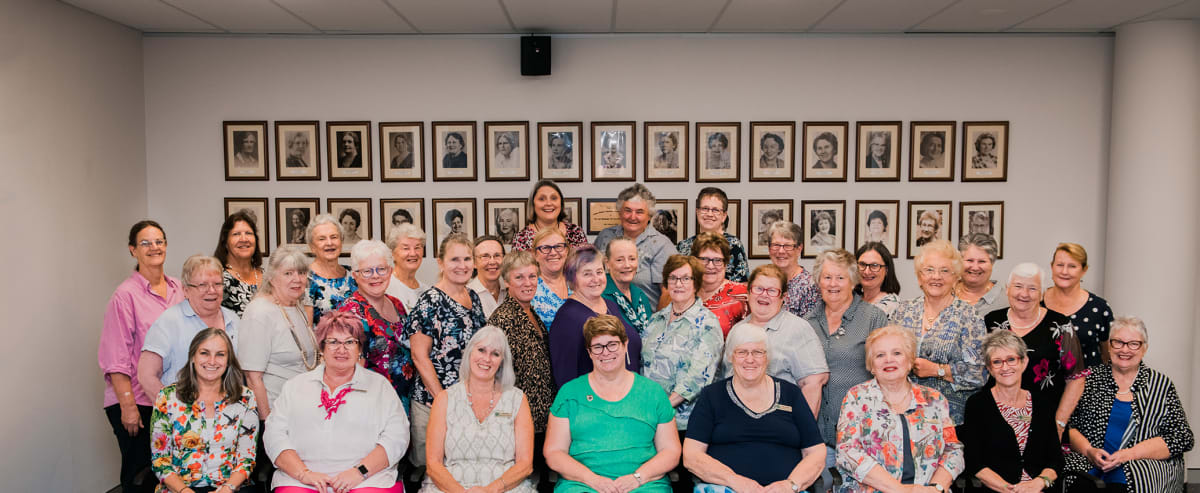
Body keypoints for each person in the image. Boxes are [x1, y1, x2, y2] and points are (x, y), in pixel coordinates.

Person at [264, 311, 410, 493]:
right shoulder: (295, 386)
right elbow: (274, 436)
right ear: (322, 348)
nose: (341, 349)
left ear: (359, 349)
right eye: (333, 342)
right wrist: (304, 474)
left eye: (350, 342)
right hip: (302, 480)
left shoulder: (380, 387)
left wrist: (359, 472)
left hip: (368, 479)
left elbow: (397, 438)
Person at [544, 315, 681, 493]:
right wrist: (592, 480)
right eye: (598, 347)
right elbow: (554, 452)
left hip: (644, 484)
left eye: (612, 344)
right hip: (583, 484)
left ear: (625, 345)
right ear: (589, 352)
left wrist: (637, 478)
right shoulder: (569, 393)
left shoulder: (653, 393)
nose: (606, 352)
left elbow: (670, 451)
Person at [683, 325, 825, 492]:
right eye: (742, 352)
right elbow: (691, 455)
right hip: (726, 488)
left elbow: (816, 453)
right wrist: (734, 480)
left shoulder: (791, 394)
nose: (750, 359)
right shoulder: (711, 396)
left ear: (767, 357)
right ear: (730, 356)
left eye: (758, 352)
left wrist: (791, 484)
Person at [99, 220, 184, 493]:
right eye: (145, 243)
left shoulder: (179, 289)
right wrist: (128, 406)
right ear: (132, 250)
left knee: (172, 475)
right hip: (137, 401)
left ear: (166, 246)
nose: (154, 247)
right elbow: (116, 357)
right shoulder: (125, 296)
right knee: (141, 476)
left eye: (159, 241)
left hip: (172, 399)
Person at [1064, 317, 1194, 493]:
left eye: (1133, 344)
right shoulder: (1089, 379)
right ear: (1109, 346)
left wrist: (1128, 455)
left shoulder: (1160, 385)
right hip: (1088, 462)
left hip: (1141, 467)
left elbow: (1182, 437)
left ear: (1144, 348)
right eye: (1118, 342)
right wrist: (1089, 451)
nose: (1124, 349)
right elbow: (1067, 426)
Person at [836, 326, 964, 492]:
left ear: (910, 361)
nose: (889, 360)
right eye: (880, 355)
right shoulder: (857, 397)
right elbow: (847, 453)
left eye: (897, 353)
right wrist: (902, 490)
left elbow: (953, 450)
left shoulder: (935, 399)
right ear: (871, 365)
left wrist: (936, 488)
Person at [405, 234, 489, 469]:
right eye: (454, 259)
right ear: (440, 263)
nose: (462, 266)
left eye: (467, 259)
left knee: (462, 469)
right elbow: (419, 357)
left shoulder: (472, 296)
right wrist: (443, 399)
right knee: (431, 472)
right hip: (434, 403)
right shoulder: (429, 301)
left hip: (467, 400)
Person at [804, 249, 888, 473]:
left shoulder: (873, 318)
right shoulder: (807, 322)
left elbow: (888, 374)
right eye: (827, 277)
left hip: (863, 432)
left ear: (852, 281)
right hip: (817, 436)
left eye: (840, 277)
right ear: (818, 281)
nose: (833, 284)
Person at [423, 327, 536, 493]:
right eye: (481, 350)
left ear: (502, 361)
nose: (487, 359)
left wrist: (490, 490)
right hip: (450, 489)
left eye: (495, 354)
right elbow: (433, 464)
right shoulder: (445, 399)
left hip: (504, 488)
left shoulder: (517, 400)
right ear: (469, 353)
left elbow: (525, 464)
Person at [888, 240, 987, 424]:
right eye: (929, 270)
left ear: (956, 277)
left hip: (950, 420)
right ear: (919, 277)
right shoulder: (902, 311)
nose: (936, 277)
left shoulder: (969, 317)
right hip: (902, 416)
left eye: (944, 271)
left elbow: (979, 374)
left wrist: (937, 370)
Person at [149, 329, 258, 493]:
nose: (212, 361)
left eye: (220, 354)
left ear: (229, 361)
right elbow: (160, 460)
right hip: (179, 489)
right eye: (205, 353)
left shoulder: (246, 398)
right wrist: (184, 491)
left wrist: (227, 489)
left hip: (229, 488)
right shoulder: (167, 397)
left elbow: (246, 458)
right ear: (193, 357)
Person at [961, 329, 1064, 493]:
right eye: (997, 362)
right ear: (989, 368)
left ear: (1024, 362)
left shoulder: (1043, 403)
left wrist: (1039, 483)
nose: (1005, 367)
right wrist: (1009, 489)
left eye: (1011, 359)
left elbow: (1055, 460)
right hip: (997, 489)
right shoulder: (977, 405)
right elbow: (974, 462)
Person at [984, 263, 1086, 424]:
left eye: (1032, 288)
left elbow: (1076, 378)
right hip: (994, 419)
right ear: (1007, 288)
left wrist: (1059, 423)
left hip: (1045, 421)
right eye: (1018, 286)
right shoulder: (991, 321)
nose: (1024, 294)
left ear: (1042, 294)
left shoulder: (1060, 325)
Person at [487, 251, 556, 478]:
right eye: (519, 277)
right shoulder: (502, 320)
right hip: (517, 420)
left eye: (532, 276)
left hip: (542, 419)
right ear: (506, 282)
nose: (527, 283)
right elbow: (492, 375)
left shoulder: (532, 312)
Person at [729, 264, 828, 417]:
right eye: (758, 289)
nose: (764, 295)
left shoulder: (798, 329)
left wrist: (802, 433)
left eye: (772, 291)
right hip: (736, 422)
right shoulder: (736, 331)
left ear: (784, 297)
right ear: (748, 292)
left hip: (781, 424)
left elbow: (812, 384)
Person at [642, 255, 724, 434]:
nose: (678, 284)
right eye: (673, 278)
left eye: (686, 278)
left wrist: (664, 406)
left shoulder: (707, 323)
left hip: (684, 424)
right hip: (648, 417)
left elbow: (699, 377)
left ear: (696, 284)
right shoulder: (655, 320)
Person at [138, 255, 239, 400]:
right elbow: (146, 375)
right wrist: (172, 411)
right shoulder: (169, 322)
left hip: (228, 414)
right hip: (184, 416)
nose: (211, 290)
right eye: (202, 285)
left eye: (217, 284)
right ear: (185, 290)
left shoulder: (234, 320)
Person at [239, 245, 316, 421]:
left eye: (301, 273)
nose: (297, 279)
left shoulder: (296, 306)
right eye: (288, 273)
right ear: (272, 278)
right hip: (277, 415)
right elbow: (253, 378)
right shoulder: (259, 312)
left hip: (303, 412)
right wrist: (268, 423)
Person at [548, 245, 642, 388]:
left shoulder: (611, 305)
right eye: (587, 274)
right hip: (593, 403)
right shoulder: (567, 319)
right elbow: (565, 376)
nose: (595, 279)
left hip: (626, 395)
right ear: (573, 279)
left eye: (599, 272)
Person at [337, 240, 414, 412]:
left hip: (402, 402)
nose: (375, 276)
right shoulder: (350, 312)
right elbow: (347, 372)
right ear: (355, 275)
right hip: (370, 406)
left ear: (390, 271)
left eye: (381, 269)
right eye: (367, 271)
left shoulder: (397, 305)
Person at [594, 184, 679, 302]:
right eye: (627, 210)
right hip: (605, 316)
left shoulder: (662, 246)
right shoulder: (605, 237)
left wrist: (656, 321)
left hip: (645, 317)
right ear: (620, 213)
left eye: (639, 212)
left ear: (649, 216)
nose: (632, 217)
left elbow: (668, 294)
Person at [1042, 243, 1113, 368]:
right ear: (1052, 267)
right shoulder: (1036, 303)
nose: (1064, 271)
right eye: (1060, 265)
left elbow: (1108, 354)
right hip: (1043, 385)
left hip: (1089, 384)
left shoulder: (1099, 308)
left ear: (1084, 270)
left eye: (1072, 266)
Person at [676, 187, 749, 282]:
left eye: (715, 210)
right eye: (705, 209)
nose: (709, 214)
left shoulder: (733, 245)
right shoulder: (683, 246)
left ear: (724, 216)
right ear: (697, 212)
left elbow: (743, 286)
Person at [690, 232, 747, 336]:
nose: (710, 266)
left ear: (726, 263)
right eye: (704, 259)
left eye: (717, 260)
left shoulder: (742, 294)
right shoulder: (685, 292)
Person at [305, 214, 357, 326]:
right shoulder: (304, 279)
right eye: (322, 239)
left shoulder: (354, 275)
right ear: (312, 247)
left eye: (334, 237)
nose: (329, 243)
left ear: (341, 241)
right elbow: (306, 331)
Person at [510, 180, 589, 251]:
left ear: (561, 203)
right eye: (541, 199)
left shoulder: (576, 232)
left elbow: (587, 263)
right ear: (533, 204)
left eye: (554, 198)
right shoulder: (521, 238)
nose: (548, 203)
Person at [601, 238, 656, 336]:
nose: (627, 265)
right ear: (607, 263)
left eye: (632, 259)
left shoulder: (640, 295)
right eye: (619, 260)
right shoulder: (600, 296)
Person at [766, 221, 820, 318]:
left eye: (787, 246)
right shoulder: (763, 281)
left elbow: (807, 328)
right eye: (776, 245)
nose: (781, 251)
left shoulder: (810, 286)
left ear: (799, 248)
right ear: (769, 248)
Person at [213, 211, 263, 316]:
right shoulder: (217, 279)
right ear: (225, 242)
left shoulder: (268, 277)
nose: (244, 239)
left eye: (248, 233)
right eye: (236, 234)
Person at [956, 233, 1008, 317]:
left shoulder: (1006, 301)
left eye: (982, 261)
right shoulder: (944, 293)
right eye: (969, 260)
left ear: (992, 263)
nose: (975, 267)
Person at [530, 227, 572, 327]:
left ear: (566, 251)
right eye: (545, 248)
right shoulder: (529, 288)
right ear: (535, 254)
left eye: (559, 246)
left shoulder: (578, 283)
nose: (553, 252)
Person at [385, 223, 431, 313]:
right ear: (392, 253)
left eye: (417, 247)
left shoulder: (427, 291)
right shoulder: (385, 287)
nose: (413, 253)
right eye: (406, 248)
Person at [853, 242, 902, 317]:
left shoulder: (891, 305)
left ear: (886, 270)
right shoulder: (853, 298)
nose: (867, 271)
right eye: (862, 264)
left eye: (874, 265)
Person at [468, 235, 506, 318]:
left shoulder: (511, 290)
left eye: (497, 255)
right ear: (474, 263)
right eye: (485, 256)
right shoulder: (467, 296)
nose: (492, 262)